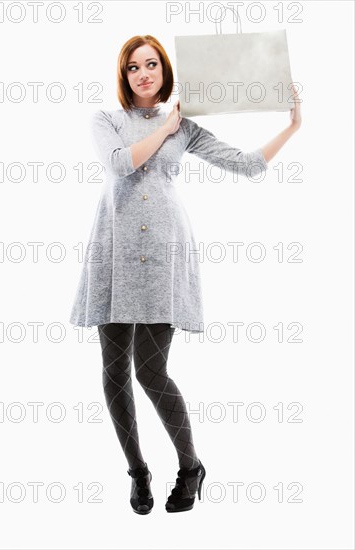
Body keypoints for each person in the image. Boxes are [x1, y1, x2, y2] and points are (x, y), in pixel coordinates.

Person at [69, 35, 302, 515]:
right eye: (134, 67)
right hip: (114, 254)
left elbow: (246, 166)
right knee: (114, 374)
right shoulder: (106, 121)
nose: (144, 74)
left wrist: (293, 127)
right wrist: (166, 125)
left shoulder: (186, 130)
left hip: (163, 256)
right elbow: (120, 164)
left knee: (151, 371)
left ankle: (190, 466)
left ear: (165, 70)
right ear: (124, 75)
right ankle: (137, 472)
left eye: (151, 64)